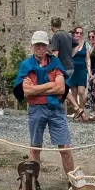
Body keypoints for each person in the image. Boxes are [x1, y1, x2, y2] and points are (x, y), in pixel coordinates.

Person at [13, 31, 74, 175]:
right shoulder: (26, 65)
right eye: (37, 45)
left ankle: (73, 183)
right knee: (35, 148)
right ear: (32, 46)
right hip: (36, 109)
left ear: (47, 46)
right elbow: (27, 91)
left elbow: (61, 88)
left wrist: (37, 89)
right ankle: (32, 184)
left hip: (55, 109)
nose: (40, 48)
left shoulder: (55, 62)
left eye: (43, 45)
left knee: (65, 147)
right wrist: (50, 85)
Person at [69, 26, 88, 119]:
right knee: (74, 93)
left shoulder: (85, 44)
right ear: (74, 33)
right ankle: (77, 113)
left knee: (81, 91)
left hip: (82, 70)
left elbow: (87, 58)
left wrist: (89, 69)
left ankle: (82, 110)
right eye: (77, 33)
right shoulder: (71, 44)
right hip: (73, 70)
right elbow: (68, 56)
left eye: (80, 33)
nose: (79, 35)